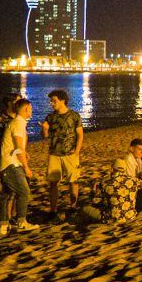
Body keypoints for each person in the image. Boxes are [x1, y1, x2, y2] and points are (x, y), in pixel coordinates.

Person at [0, 99, 39, 235]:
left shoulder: (16, 123)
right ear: (26, 109)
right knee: (24, 192)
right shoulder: (18, 123)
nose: (31, 111)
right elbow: (18, 148)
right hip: (11, 164)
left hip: (7, 163)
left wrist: (24, 153)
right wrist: (26, 168)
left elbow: (16, 146)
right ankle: (21, 222)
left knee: (7, 194)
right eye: (30, 109)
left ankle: (4, 225)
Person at [42, 89, 83, 223]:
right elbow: (45, 137)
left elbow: (80, 134)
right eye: (51, 101)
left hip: (70, 154)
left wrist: (77, 151)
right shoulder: (50, 117)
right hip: (54, 154)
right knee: (53, 183)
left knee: (73, 181)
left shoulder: (74, 116)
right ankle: (53, 210)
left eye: (54, 101)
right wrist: (44, 129)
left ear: (62, 100)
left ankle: (73, 206)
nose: (51, 103)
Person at [78, 164, 142, 225]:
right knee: (141, 193)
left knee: (85, 208)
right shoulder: (134, 180)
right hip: (130, 217)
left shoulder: (104, 181)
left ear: (112, 169)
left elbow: (96, 201)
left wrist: (93, 191)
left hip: (110, 218)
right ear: (125, 169)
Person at [0, 92, 20, 219]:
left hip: (17, 158)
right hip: (3, 158)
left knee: (18, 189)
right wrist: (6, 141)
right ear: (10, 103)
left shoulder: (18, 118)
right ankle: (7, 218)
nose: (20, 104)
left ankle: (14, 216)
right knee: (9, 189)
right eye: (18, 101)